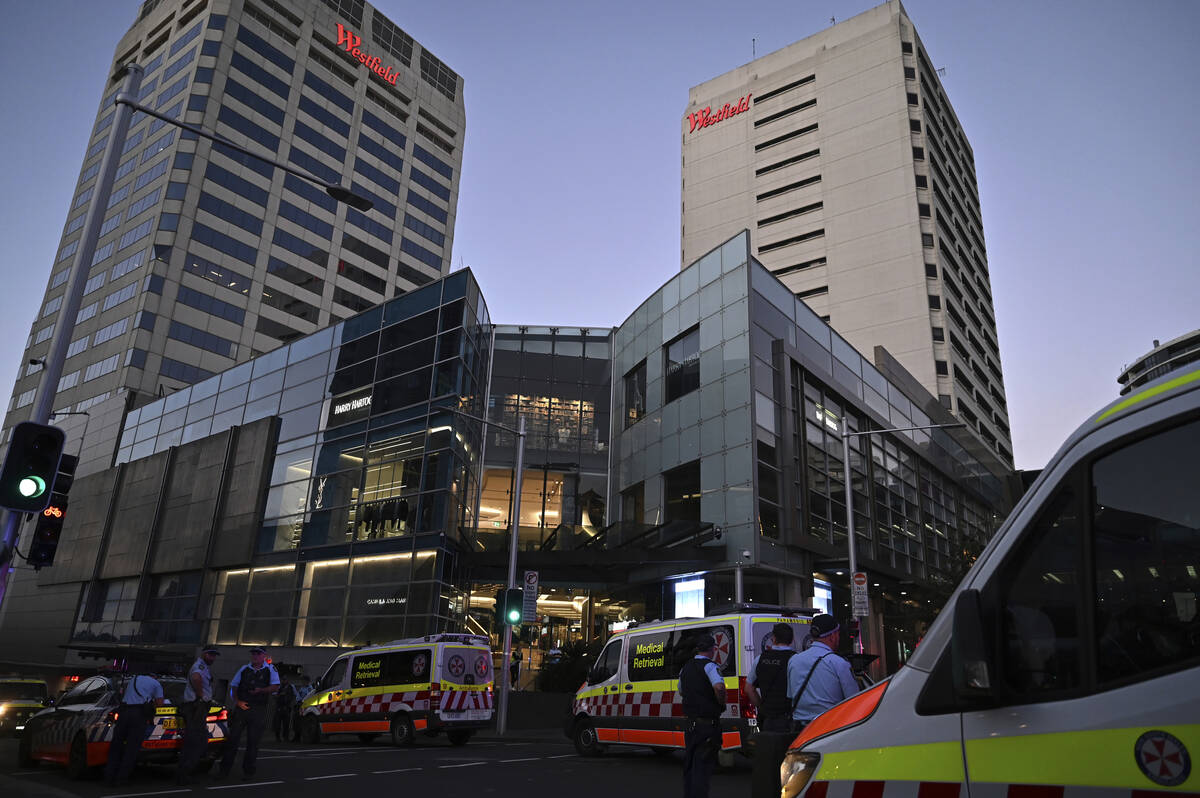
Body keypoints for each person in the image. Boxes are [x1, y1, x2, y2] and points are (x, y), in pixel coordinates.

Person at [745, 623, 797, 798]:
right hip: (789, 719)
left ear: (773, 639)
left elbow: (749, 689)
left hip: (767, 719)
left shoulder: (761, 659)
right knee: (790, 766)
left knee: (768, 767)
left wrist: (761, 706)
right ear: (792, 640)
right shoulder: (795, 660)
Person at [787, 614, 859, 732]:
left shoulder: (794, 661)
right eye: (838, 634)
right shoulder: (839, 663)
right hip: (828, 729)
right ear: (832, 636)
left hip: (800, 732)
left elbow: (790, 696)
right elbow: (854, 700)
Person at [218, 647, 279, 781]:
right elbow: (233, 686)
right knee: (233, 739)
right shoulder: (244, 669)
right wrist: (237, 701)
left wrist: (261, 690)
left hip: (258, 708)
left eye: (258, 654)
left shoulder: (270, 669)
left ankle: (248, 771)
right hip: (243, 707)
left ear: (264, 656)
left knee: (253, 741)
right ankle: (224, 770)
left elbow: (275, 686)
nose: (255, 656)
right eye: (254, 653)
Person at [679, 633, 726, 798]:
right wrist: (721, 702)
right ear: (713, 649)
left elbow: (681, 690)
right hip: (707, 724)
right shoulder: (710, 666)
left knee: (690, 765)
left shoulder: (686, 667)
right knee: (703, 767)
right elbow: (719, 688)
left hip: (691, 724)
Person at [104, 672, 165, 787]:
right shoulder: (156, 684)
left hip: (124, 712)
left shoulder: (134, 679)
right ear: (155, 676)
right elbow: (160, 703)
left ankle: (108, 776)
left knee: (116, 746)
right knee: (131, 748)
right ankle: (121, 779)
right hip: (139, 715)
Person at [176, 647, 219, 785]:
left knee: (196, 740)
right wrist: (201, 696)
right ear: (203, 654)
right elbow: (196, 677)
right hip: (196, 706)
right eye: (210, 654)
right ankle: (185, 773)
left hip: (196, 706)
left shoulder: (203, 666)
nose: (212, 658)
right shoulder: (200, 666)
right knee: (196, 741)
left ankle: (185, 772)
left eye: (214, 655)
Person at [272, 674, 297, 742]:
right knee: (277, 724)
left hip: (287, 707)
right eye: (283, 679)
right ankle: (278, 737)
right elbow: (274, 695)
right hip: (279, 707)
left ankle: (286, 737)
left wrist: (292, 704)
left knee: (286, 724)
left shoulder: (291, 687)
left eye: (285, 679)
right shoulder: (278, 687)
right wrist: (280, 695)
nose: (284, 680)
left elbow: (295, 695)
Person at [290, 676, 313, 742]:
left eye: (303, 681)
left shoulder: (310, 688)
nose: (302, 682)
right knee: (296, 722)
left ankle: (302, 737)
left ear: (307, 681)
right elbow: (298, 696)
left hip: (304, 706)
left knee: (302, 722)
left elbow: (308, 697)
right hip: (299, 705)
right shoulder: (302, 688)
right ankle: (296, 736)